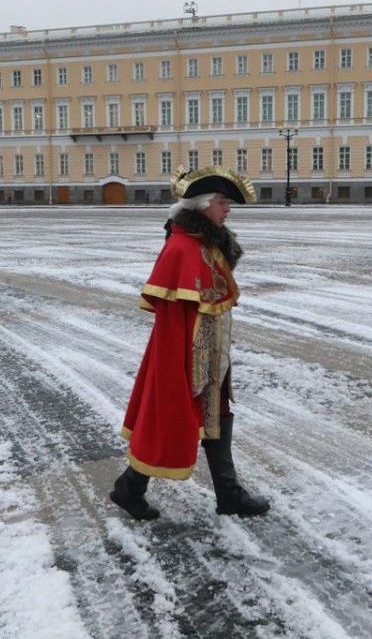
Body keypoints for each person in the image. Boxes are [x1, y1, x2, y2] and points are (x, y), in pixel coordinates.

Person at [110, 166, 271, 521]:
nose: (227, 209)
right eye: (222, 202)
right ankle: (130, 488)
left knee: (217, 415)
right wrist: (178, 367)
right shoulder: (182, 248)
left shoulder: (206, 244)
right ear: (202, 206)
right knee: (172, 419)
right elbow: (172, 321)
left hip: (213, 352)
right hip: (191, 355)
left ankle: (226, 494)